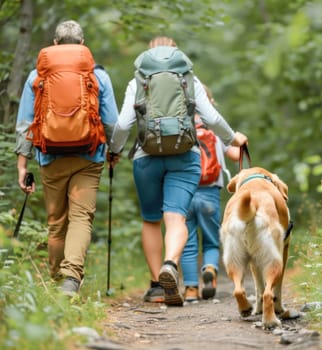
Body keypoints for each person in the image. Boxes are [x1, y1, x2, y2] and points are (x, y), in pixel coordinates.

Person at [109, 36, 248, 306]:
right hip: (184, 156)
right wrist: (232, 139)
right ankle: (170, 263)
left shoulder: (136, 81)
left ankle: (157, 287)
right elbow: (212, 118)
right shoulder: (189, 80)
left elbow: (124, 124)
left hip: (145, 156)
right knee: (176, 218)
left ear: (148, 56)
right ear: (176, 55)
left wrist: (114, 150)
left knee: (151, 220)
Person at [14, 20, 119, 296]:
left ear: (56, 43)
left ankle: (56, 280)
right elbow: (112, 122)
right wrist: (115, 151)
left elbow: (25, 123)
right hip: (89, 156)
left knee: (56, 222)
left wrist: (22, 164)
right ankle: (71, 278)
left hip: (51, 157)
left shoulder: (37, 76)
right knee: (81, 218)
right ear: (82, 44)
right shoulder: (98, 76)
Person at [181, 85, 240, 302]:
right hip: (210, 193)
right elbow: (234, 154)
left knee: (187, 243)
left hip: (184, 192)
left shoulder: (180, 125)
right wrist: (242, 144)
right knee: (212, 241)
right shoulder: (214, 128)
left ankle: (190, 290)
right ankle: (210, 268)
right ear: (210, 103)